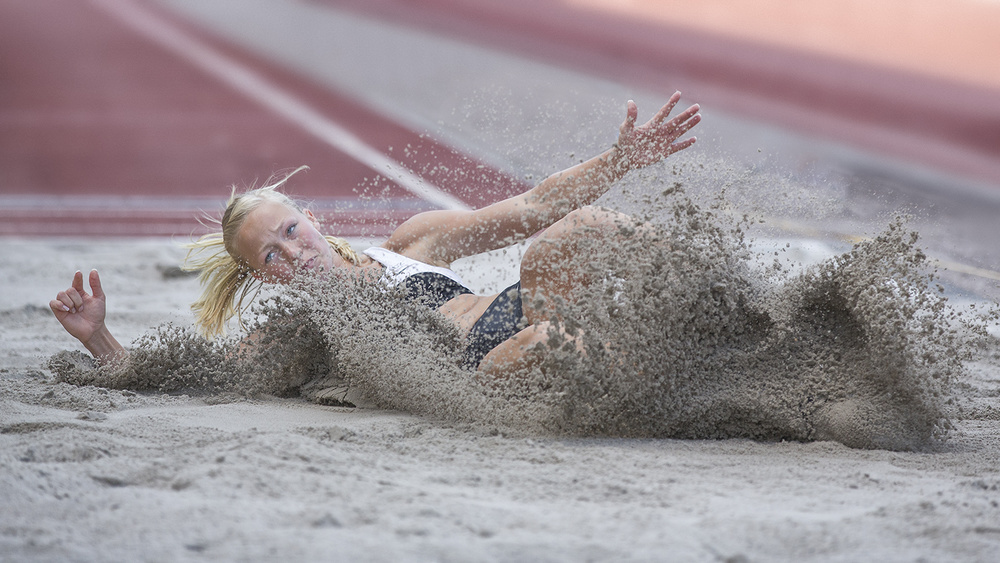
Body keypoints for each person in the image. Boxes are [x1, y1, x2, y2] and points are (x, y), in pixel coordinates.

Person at [49, 93, 701, 382]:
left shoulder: (411, 243)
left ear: (311, 218)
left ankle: (721, 304)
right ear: (261, 275)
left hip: (516, 305)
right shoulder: (297, 332)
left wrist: (619, 161)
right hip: (489, 362)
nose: (293, 252)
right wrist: (99, 338)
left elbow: (533, 206)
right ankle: (673, 380)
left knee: (572, 234)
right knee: (545, 344)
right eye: (271, 255)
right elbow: (189, 376)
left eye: (290, 230)